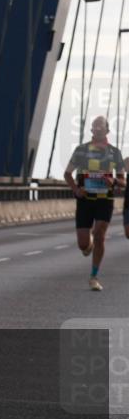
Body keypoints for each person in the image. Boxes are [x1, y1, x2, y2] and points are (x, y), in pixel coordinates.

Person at [63, 115, 126, 291]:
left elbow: (123, 181)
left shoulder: (114, 153)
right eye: (94, 127)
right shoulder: (81, 150)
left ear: (107, 130)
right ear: (91, 130)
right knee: (83, 244)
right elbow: (67, 174)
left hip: (105, 201)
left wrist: (114, 182)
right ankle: (87, 244)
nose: (97, 130)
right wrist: (76, 189)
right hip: (85, 201)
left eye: (100, 127)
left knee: (99, 235)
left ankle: (94, 276)